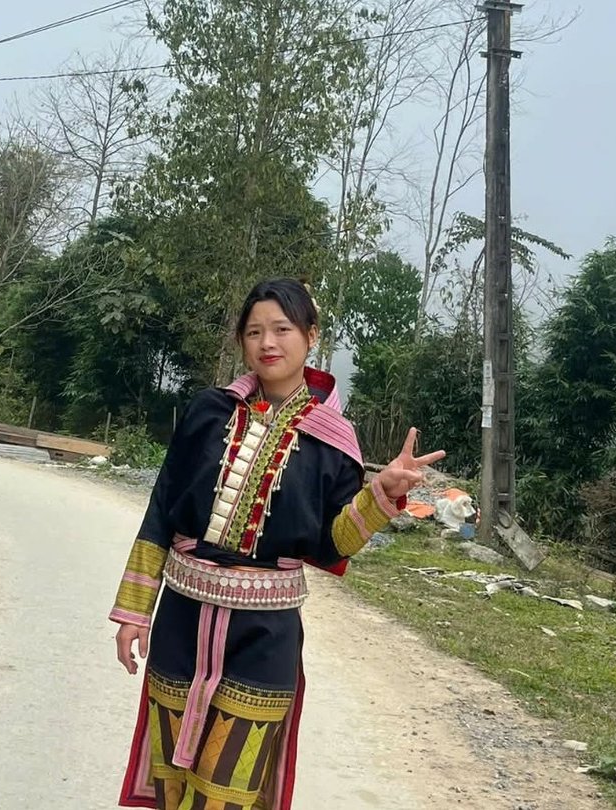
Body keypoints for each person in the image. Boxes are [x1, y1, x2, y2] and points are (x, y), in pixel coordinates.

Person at [109, 278, 444, 810]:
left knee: (228, 789)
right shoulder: (208, 413)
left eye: (282, 329)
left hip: (265, 636)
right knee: (171, 780)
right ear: (241, 342)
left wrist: (381, 494)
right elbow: (161, 508)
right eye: (254, 332)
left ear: (311, 335)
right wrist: (134, 612)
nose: (268, 342)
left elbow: (333, 545)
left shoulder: (334, 441)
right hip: (180, 621)